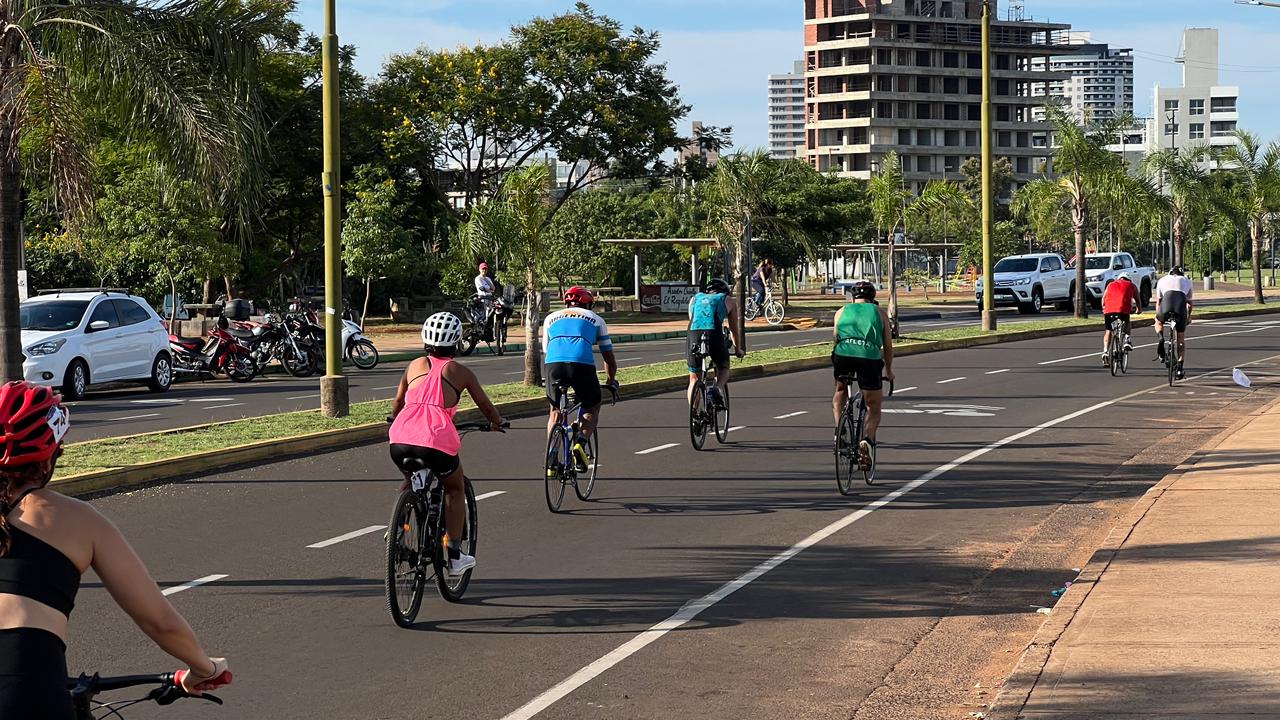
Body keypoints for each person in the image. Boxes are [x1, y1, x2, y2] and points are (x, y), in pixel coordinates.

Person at [0, 382, 229, 719]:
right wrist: (204, 669)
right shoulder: (74, 518)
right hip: (25, 692)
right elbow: (160, 621)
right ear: (50, 456)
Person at [389, 313, 505, 575]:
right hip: (436, 441)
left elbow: (398, 402)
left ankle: (397, 530)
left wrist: (396, 420)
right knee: (454, 488)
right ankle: (454, 557)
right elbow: (485, 405)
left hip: (400, 438)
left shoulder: (414, 365)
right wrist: (497, 421)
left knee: (410, 479)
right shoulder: (460, 372)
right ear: (455, 342)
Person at [542, 288, 618, 471]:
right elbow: (609, 358)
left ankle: (552, 458)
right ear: (588, 303)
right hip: (581, 364)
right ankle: (580, 444)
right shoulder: (596, 319)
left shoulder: (550, 318)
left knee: (555, 410)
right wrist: (610, 381)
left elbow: (546, 349)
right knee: (592, 405)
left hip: (553, 364)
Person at [832, 281, 895, 470]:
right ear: (872, 297)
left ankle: (839, 429)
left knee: (840, 390)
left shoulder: (841, 311)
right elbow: (888, 347)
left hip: (843, 354)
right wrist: (889, 371)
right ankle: (866, 440)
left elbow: (835, 339)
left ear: (853, 297)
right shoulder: (880, 314)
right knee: (873, 405)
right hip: (869, 357)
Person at [687, 278, 744, 409]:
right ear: (725, 291)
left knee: (694, 378)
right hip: (714, 332)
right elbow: (734, 330)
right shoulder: (727, 299)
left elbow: (693, 319)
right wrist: (737, 349)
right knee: (723, 368)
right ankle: (716, 389)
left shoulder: (694, 299)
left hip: (693, 334)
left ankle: (695, 416)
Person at [1154, 266, 1193, 379]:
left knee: (1158, 321)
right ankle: (1180, 366)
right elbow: (1189, 304)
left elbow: (1158, 302)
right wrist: (1188, 318)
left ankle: (1161, 337)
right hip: (1180, 306)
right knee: (1180, 337)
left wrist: (1158, 316)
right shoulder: (1187, 280)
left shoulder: (1162, 280)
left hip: (1166, 304)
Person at [1101, 272, 1140, 366]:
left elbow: (1103, 299)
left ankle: (1105, 352)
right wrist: (1139, 309)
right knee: (1127, 321)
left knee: (1108, 330)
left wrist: (1104, 308)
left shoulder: (1110, 284)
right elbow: (1137, 299)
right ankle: (1127, 340)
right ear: (1129, 279)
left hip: (1109, 310)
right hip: (1123, 309)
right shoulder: (1131, 285)